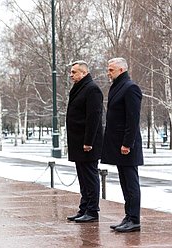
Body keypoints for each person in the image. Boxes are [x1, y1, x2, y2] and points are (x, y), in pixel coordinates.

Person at [101, 57, 143, 232]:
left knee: (131, 183)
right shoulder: (117, 86)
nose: (108, 73)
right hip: (118, 145)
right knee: (124, 182)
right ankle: (129, 216)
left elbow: (132, 119)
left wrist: (127, 143)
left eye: (111, 70)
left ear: (121, 70)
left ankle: (134, 219)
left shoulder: (130, 88)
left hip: (127, 145)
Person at [66, 60, 103, 223]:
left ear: (83, 73)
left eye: (74, 72)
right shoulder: (79, 88)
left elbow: (94, 117)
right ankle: (84, 208)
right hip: (78, 141)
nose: (71, 75)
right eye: (71, 72)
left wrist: (89, 141)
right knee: (82, 177)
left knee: (90, 176)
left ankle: (92, 210)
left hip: (87, 143)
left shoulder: (92, 89)